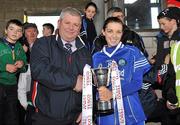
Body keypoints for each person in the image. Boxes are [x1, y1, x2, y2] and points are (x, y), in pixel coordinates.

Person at [30, 7, 92, 125]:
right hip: (46, 117)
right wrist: (73, 81)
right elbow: (40, 71)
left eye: (76, 24)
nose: (71, 27)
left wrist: (87, 110)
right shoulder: (43, 43)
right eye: (67, 23)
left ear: (80, 28)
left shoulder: (85, 51)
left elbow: (90, 83)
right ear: (59, 23)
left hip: (76, 118)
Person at [93, 17, 151, 125]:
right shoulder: (96, 57)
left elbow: (137, 83)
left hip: (131, 112)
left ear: (122, 33)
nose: (114, 36)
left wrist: (112, 93)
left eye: (118, 32)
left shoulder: (133, 52)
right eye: (110, 31)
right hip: (106, 114)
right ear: (103, 32)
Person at [154, 7, 180, 124]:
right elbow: (161, 61)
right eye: (160, 24)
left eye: (163, 24)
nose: (161, 27)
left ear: (173, 21)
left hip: (176, 88)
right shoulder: (161, 38)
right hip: (165, 87)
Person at [0, 19, 27, 125]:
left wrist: (21, 64)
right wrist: (4, 66)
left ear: (21, 34)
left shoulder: (19, 47)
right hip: (0, 83)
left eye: (19, 30)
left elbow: (24, 65)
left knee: (12, 115)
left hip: (12, 85)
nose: (15, 32)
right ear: (6, 30)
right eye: (12, 29)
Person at [18, 22, 38, 125]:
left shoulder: (41, 45)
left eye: (34, 31)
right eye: (29, 31)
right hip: (21, 79)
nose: (32, 33)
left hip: (36, 80)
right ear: (24, 33)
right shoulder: (19, 45)